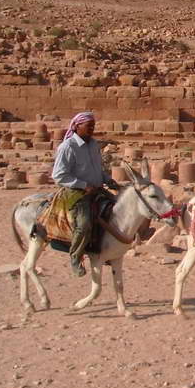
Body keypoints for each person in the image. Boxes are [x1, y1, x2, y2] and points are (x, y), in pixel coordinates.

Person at [51, 111, 118, 277]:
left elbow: (98, 169)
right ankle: (75, 256)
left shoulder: (94, 145)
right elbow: (58, 175)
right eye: (89, 126)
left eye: (93, 126)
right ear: (77, 126)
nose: (91, 129)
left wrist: (108, 179)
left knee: (117, 210)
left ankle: (106, 250)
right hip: (75, 192)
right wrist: (83, 185)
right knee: (85, 222)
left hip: (96, 188)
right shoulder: (67, 147)